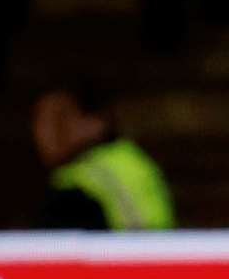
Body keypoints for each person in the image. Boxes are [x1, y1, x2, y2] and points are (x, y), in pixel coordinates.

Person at [32, 85, 175, 231]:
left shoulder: (83, 184)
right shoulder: (130, 158)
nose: (45, 134)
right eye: (39, 121)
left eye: (59, 121)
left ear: (96, 122)